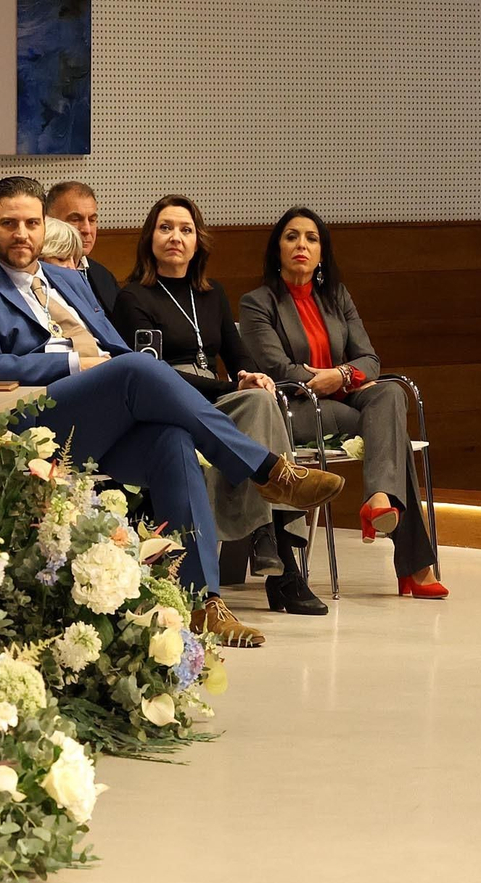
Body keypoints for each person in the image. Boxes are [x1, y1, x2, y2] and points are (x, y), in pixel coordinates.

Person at [0, 177, 347, 647]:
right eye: (10, 224)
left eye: (31, 223)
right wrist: (77, 363)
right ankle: (266, 469)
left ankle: (201, 602)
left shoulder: (66, 279)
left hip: (97, 421)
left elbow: (114, 345)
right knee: (136, 367)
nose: (22, 234)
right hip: (30, 423)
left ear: (44, 226)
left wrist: (112, 368)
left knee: (172, 441)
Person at [112, 197, 324, 616]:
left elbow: (237, 352)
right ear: (150, 239)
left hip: (218, 398)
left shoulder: (212, 294)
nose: (176, 237)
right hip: (168, 402)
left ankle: (270, 541)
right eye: (165, 228)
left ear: (198, 242)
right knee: (257, 406)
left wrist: (251, 375)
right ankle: (281, 561)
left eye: (186, 230)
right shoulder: (132, 297)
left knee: (261, 398)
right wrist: (232, 386)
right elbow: (154, 373)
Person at [239, 207, 446, 599]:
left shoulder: (336, 298)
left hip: (343, 399)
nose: (301, 245)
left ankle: (379, 500)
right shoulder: (257, 303)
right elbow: (278, 367)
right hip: (295, 409)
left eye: (311, 238)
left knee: (389, 392)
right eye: (291, 237)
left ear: (322, 253)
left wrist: (343, 375)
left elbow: (369, 360)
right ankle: (415, 565)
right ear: (277, 249)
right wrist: (327, 379)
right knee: (392, 435)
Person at [46, 180, 119, 317]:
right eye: (75, 219)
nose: (87, 229)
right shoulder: (36, 276)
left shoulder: (103, 276)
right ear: (49, 221)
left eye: (92, 220)